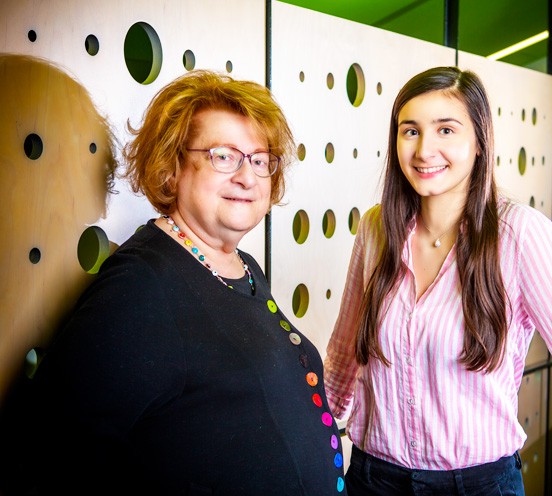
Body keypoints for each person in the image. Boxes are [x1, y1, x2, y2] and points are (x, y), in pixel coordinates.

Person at [324, 66, 552, 495]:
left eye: (446, 129)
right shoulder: (377, 230)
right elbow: (343, 355)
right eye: (409, 131)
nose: (424, 149)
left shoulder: (520, 235)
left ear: (479, 142)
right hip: (372, 479)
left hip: (477, 485)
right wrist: (314, 438)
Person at [31, 70, 347, 495]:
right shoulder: (141, 286)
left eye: (259, 160)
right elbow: (52, 455)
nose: (247, 177)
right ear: (171, 166)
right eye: (223, 156)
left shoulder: (243, 265)